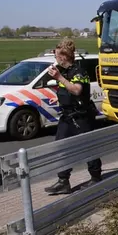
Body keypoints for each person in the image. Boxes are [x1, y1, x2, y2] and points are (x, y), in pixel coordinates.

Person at [44, 38, 103, 195]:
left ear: (64, 56)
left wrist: (59, 78)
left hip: (82, 117)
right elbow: (67, 91)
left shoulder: (79, 72)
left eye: (57, 56)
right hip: (67, 116)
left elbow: (77, 90)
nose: (56, 59)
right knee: (61, 147)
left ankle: (96, 178)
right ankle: (63, 181)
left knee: (88, 147)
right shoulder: (63, 72)